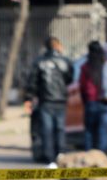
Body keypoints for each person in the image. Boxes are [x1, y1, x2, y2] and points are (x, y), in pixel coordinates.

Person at [24, 36, 74, 168]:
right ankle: (60, 154)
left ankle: (49, 158)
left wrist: (28, 98)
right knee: (60, 129)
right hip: (61, 101)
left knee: (47, 130)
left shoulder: (39, 62)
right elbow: (70, 79)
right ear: (58, 46)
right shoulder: (66, 61)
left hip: (45, 101)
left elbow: (32, 82)